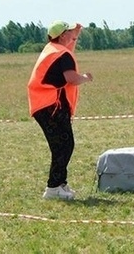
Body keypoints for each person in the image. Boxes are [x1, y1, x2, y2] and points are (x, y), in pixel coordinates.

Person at [27, 21, 93, 200]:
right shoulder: (62, 54)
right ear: (62, 35)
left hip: (44, 104)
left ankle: (60, 184)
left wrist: (76, 33)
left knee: (64, 145)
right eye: (70, 31)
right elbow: (71, 78)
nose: (73, 33)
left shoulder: (53, 49)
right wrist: (86, 77)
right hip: (52, 105)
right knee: (62, 146)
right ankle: (53, 188)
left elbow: (68, 48)